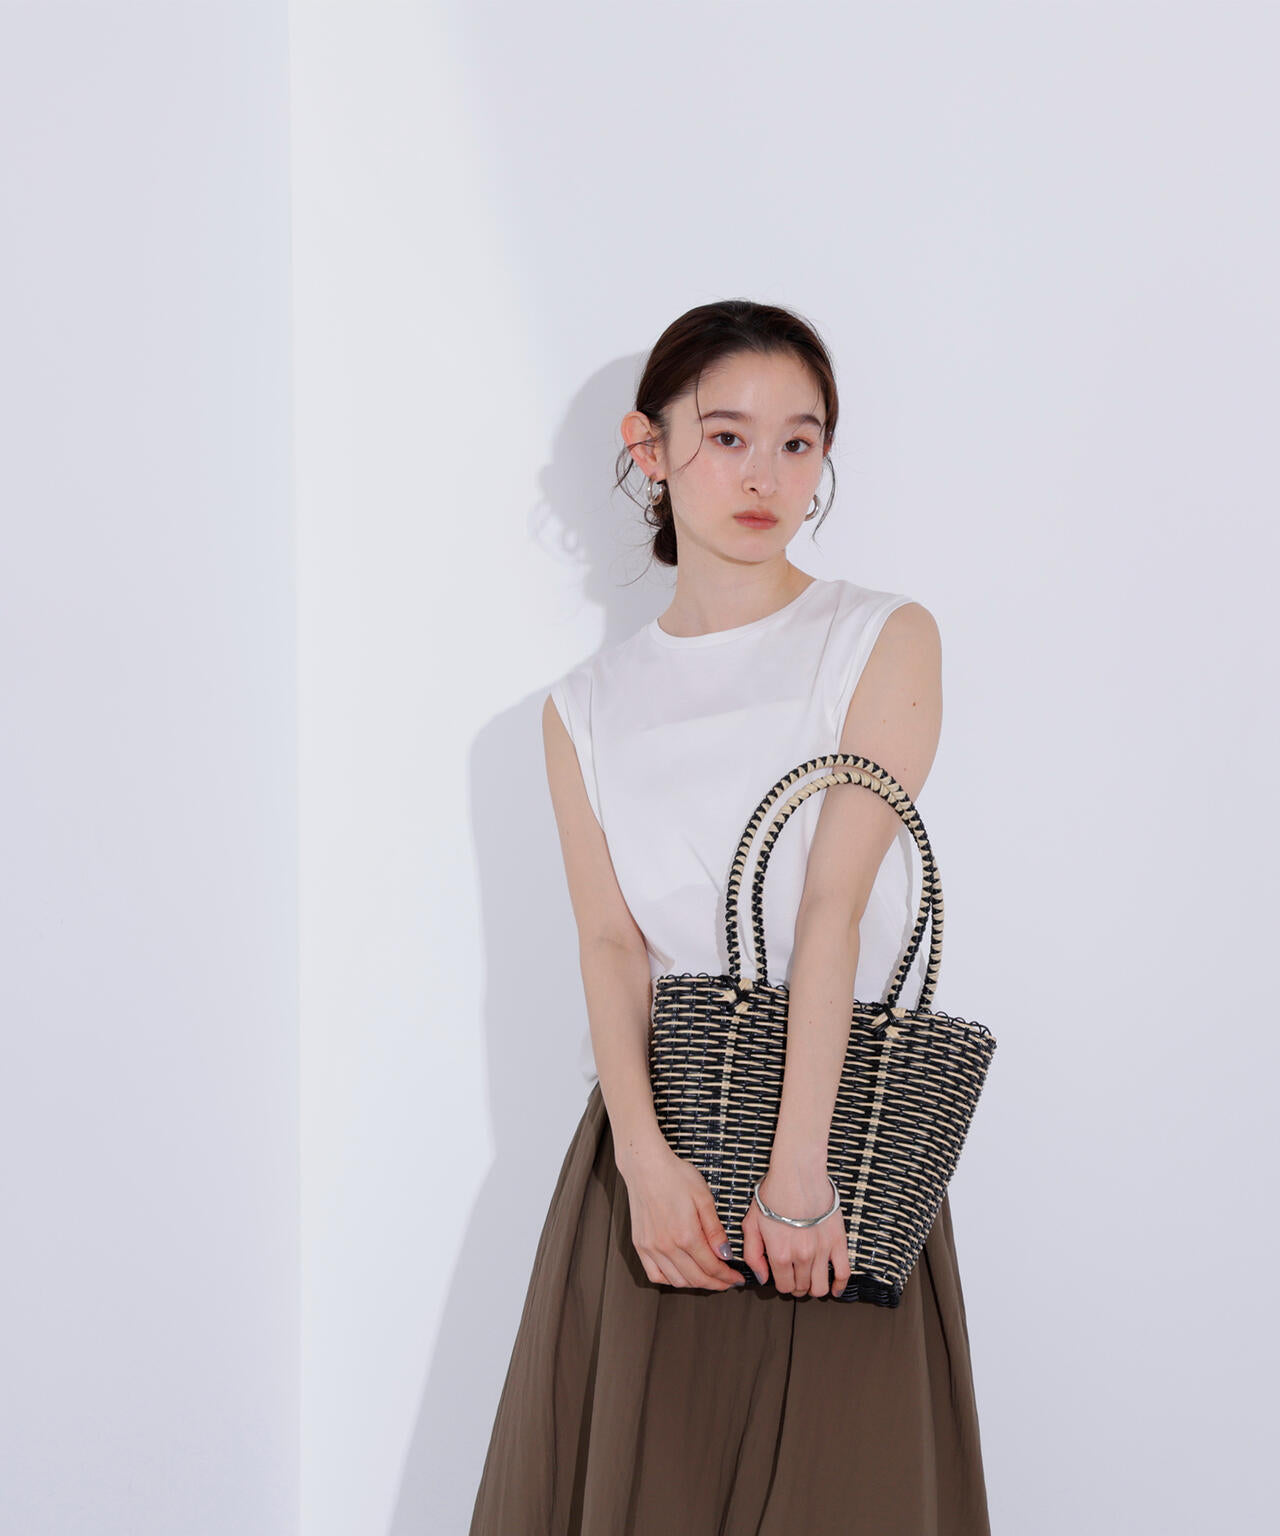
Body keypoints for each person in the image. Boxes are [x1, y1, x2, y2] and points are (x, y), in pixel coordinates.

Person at [468, 299, 991, 1534]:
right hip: (655, 1150)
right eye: (726, 436)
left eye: (798, 443)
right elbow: (609, 944)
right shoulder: (582, 707)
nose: (765, 476)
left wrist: (800, 1169)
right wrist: (643, 1168)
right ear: (646, 447)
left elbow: (829, 906)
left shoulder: (876, 637)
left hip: (838, 1136)